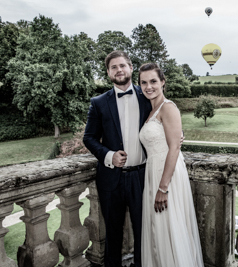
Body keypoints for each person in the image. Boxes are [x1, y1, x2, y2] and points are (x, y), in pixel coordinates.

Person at [83, 50, 152, 267]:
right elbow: (89, 138)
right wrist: (109, 155)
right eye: (114, 67)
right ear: (108, 73)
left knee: (145, 233)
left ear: (131, 68)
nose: (119, 70)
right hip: (111, 180)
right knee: (112, 234)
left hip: (142, 177)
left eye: (122, 65)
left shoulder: (148, 96)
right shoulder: (99, 102)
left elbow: (165, 121)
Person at [138, 63, 204, 267]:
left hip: (167, 177)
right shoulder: (150, 110)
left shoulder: (168, 107)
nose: (148, 86)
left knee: (170, 227)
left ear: (163, 82)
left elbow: (174, 148)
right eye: (143, 82)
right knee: (158, 230)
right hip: (153, 171)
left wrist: (162, 188)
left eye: (153, 81)